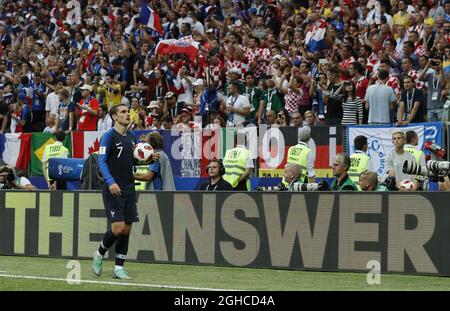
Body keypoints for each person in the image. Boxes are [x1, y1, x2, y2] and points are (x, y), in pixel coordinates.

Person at [92, 104, 148, 280]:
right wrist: (110, 182)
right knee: (117, 227)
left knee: (126, 230)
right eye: (123, 112)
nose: (127, 114)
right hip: (113, 188)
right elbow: (101, 161)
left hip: (129, 188)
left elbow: (130, 162)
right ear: (115, 117)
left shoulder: (131, 137)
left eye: (127, 111)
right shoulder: (108, 136)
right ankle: (99, 254)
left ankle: (118, 268)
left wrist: (145, 159)